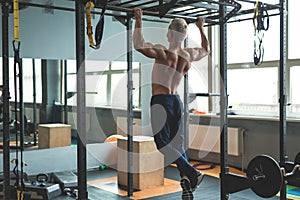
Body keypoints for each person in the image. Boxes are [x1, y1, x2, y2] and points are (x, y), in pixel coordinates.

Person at [133, 8, 210, 200]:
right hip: (177, 102)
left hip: (161, 101)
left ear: (169, 33)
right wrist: (201, 28)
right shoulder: (187, 55)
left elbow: (138, 44)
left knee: (162, 143)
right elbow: (206, 50)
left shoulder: (162, 52)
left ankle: (191, 172)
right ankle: (187, 182)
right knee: (177, 145)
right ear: (184, 35)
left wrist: (139, 19)